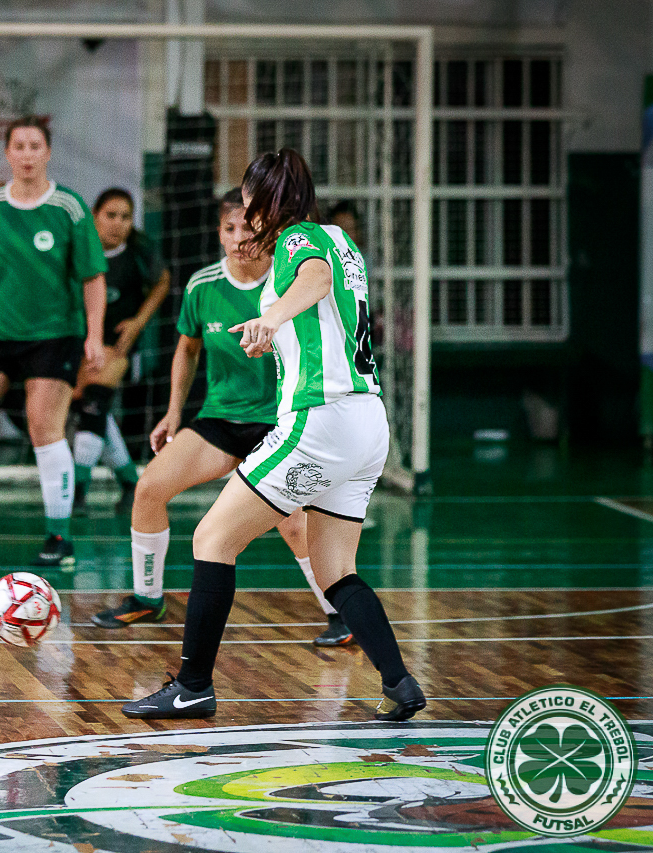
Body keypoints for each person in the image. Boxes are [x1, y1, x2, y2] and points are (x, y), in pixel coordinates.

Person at [122, 149, 425, 722]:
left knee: (212, 538)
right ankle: (400, 683)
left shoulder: (297, 241)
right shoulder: (343, 241)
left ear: (266, 201)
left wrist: (274, 315)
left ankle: (192, 685)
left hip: (321, 420)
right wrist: (274, 333)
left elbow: (313, 278)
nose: (245, 213)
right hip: (367, 423)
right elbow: (327, 300)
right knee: (336, 569)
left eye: (247, 200)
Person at [91, 189, 352, 648]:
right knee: (149, 489)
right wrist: (173, 414)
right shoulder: (202, 285)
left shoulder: (289, 283)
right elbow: (186, 349)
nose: (238, 239)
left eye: (248, 230)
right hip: (220, 419)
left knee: (293, 523)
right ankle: (146, 598)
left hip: (280, 423)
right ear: (218, 232)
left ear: (266, 232)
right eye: (229, 229)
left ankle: (340, 616)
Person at [0, 116, 107, 568]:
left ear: (47, 153)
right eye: (19, 146)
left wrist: (95, 335)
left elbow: (93, 278)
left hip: (54, 336)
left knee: (43, 427)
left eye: (36, 146)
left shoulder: (69, 208)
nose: (28, 154)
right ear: (7, 154)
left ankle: (59, 535)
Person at [70, 188, 169, 518]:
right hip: (80, 345)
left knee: (94, 404)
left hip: (119, 348)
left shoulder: (139, 253)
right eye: (111, 215)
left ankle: (77, 492)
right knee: (94, 411)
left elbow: (163, 282)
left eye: (125, 217)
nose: (118, 223)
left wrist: (137, 323)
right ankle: (129, 482)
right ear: (94, 215)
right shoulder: (80, 249)